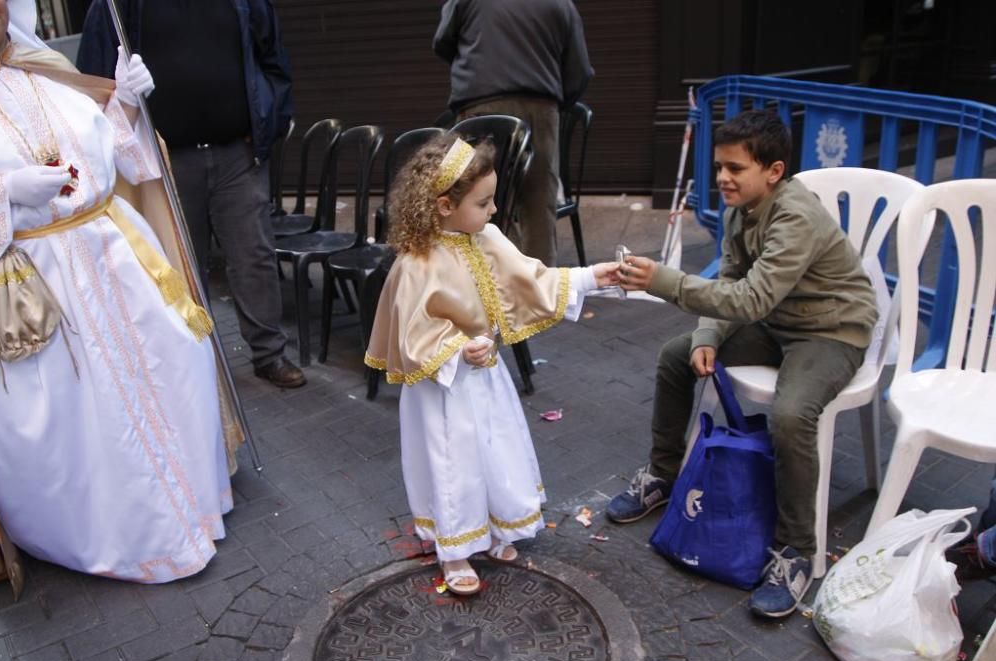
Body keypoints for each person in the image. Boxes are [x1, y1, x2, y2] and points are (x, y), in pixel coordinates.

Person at [0, 0, 235, 582]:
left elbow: (113, 153)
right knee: (81, 412)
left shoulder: (43, 67)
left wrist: (125, 101)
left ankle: (189, 505)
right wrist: (5, 192)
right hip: (38, 278)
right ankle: (129, 534)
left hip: (114, 257)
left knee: (177, 359)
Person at [606, 110, 878, 618]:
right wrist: (707, 334)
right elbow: (733, 279)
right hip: (776, 320)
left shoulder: (796, 215)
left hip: (830, 330)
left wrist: (663, 281)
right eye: (719, 167)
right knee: (675, 355)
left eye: (735, 168)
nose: (723, 179)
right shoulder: (740, 210)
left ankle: (796, 549)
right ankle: (664, 476)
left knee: (792, 415)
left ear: (773, 171)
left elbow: (750, 299)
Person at [365, 135, 619, 594]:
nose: (494, 210)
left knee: (496, 447)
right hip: (440, 388)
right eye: (484, 202)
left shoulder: (486, 236)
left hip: (485, 376)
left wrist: (591, 276)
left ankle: (498, 525)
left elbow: (531, 276)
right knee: (452, 461)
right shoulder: (415, 263)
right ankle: (456, 550)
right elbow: (414, 332)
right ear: (444, 206)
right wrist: (457, 350)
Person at [77, 0, 305, 388]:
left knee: (254, 256)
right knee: (180, 263)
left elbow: (273, 61)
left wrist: (270, 119)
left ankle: (269, 353)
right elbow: (93, 80)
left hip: (237, 152)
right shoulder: (116, 4)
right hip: (162, 160)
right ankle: (197, 359)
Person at [433, 0, 593, 267]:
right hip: (540, 108)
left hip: (480, 107)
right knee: (538, 207)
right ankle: (539, 294)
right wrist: (554, 104)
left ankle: (488, 285)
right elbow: (580, 71)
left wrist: (479, 60)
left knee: (479, 202)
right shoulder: (561, 4)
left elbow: (443, 42)